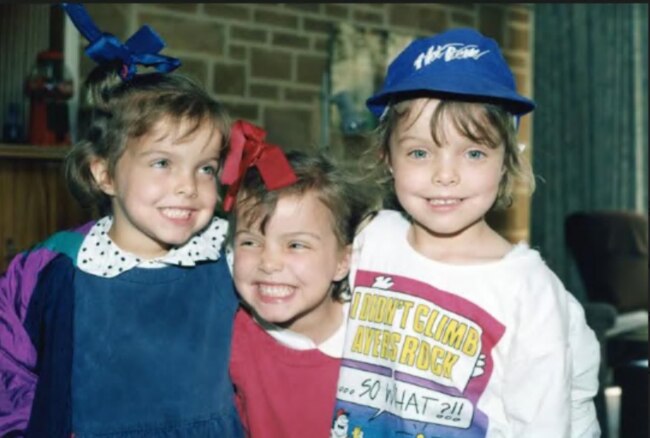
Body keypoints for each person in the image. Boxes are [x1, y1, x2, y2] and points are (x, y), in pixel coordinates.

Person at [331, 28, 601, 437]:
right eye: (420, 152)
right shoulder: (370, 240)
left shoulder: (528, 293)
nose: (445, 175)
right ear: (388, 159)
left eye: (474, 152)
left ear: (505, 160)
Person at [0, 6, 246, 436]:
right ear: (105, 173)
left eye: (205, 168)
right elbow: (9, 369)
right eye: (163, 162)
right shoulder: (54, 269)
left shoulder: (233, 255)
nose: (188, 186)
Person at [222, 120, 374, 438]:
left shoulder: (375, 336)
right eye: (251, 241)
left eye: (295, 245)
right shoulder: (230, 337)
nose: (269, 263)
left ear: (343, 261)